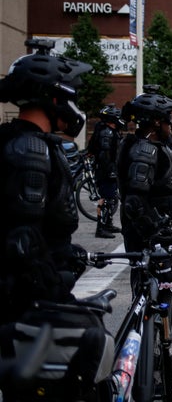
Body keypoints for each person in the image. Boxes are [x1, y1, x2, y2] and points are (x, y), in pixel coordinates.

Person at [0, 39, 91, 325]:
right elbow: (23, 237)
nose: (73, 107)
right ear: (54, 100)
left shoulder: (25, 142)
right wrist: (53, 284)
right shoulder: (30, 150)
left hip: (30, 287)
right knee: (91, 340)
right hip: (26, 298)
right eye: (69, 98)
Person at [118, 87, 172, 257]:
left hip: (162, 228)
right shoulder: (144, 150)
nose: (170, 126)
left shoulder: (155, 147)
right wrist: (153, 227)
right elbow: (134, 201)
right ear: (156, 122)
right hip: (151, 236)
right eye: (168, 121)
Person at [88, 105, 125, 238]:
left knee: (111, 199)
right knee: (105, 199)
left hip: (110, 171)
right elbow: (105, 155)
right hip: (106, 172)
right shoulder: (107, 133)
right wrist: (110, 171)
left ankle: (108, 223)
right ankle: (101, 228)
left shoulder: (110, 131)